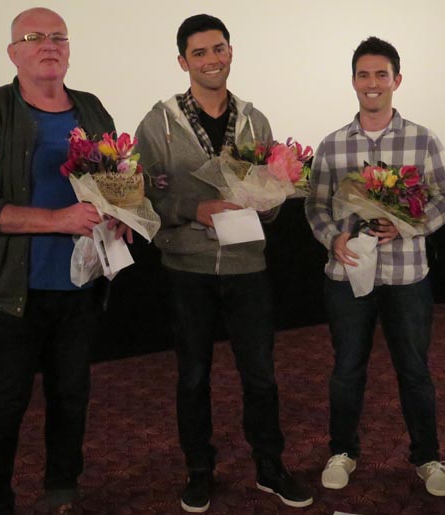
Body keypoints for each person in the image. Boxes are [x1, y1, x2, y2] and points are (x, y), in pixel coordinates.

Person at [0, 8, 126, 515]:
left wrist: (119, 217)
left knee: (72, 396)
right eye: (34, 37)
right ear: (14, 53)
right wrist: (58, 219)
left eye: (58, 37)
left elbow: (114, 187)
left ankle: (62, 492)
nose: (48, 45)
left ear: (68, 49)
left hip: (82, 287)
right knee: (6, 404)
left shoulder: (92, 110)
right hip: (13, 293)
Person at [135, 14, 313, 513]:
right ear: (182, 62)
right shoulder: (157, 123)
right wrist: (194, 210)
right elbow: (141, 198)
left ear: (231, 52)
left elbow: (275, 199)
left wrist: (267, 201)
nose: (212, 60)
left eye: (219, 49)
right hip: (186, 269)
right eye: (200, 53)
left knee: (260, 374)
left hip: (247, 267)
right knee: (193, 376)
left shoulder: (256, 121)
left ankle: (269, 466)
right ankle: (199, 470)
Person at [305, 36, 445, 497]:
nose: (372, 84)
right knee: (347, 369)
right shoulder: (332, 146)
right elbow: (315, 207)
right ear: (353, 81)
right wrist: (335, 237)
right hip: (347, 276)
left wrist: (408, 226)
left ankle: (428, 457)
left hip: (407, 275)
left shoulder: (423, 139)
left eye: (381, 75)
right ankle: (343, 451)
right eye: (364, 75)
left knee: (414, 370)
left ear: (397, 80)